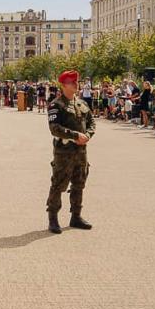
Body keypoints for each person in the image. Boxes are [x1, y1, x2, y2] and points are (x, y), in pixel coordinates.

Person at [45, 69, 95, 234]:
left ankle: (76, 216)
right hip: (64, 152)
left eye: (76, 82)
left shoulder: (82, 103)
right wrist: (74, 135)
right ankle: (53, 218)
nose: (76, 85)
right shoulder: (56, 105)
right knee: (58, 184)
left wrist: (87, 135)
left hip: (81, 151)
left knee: (79, 183)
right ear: (63, 85)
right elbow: (54, 128)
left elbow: (91, 122)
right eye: (72, 82)